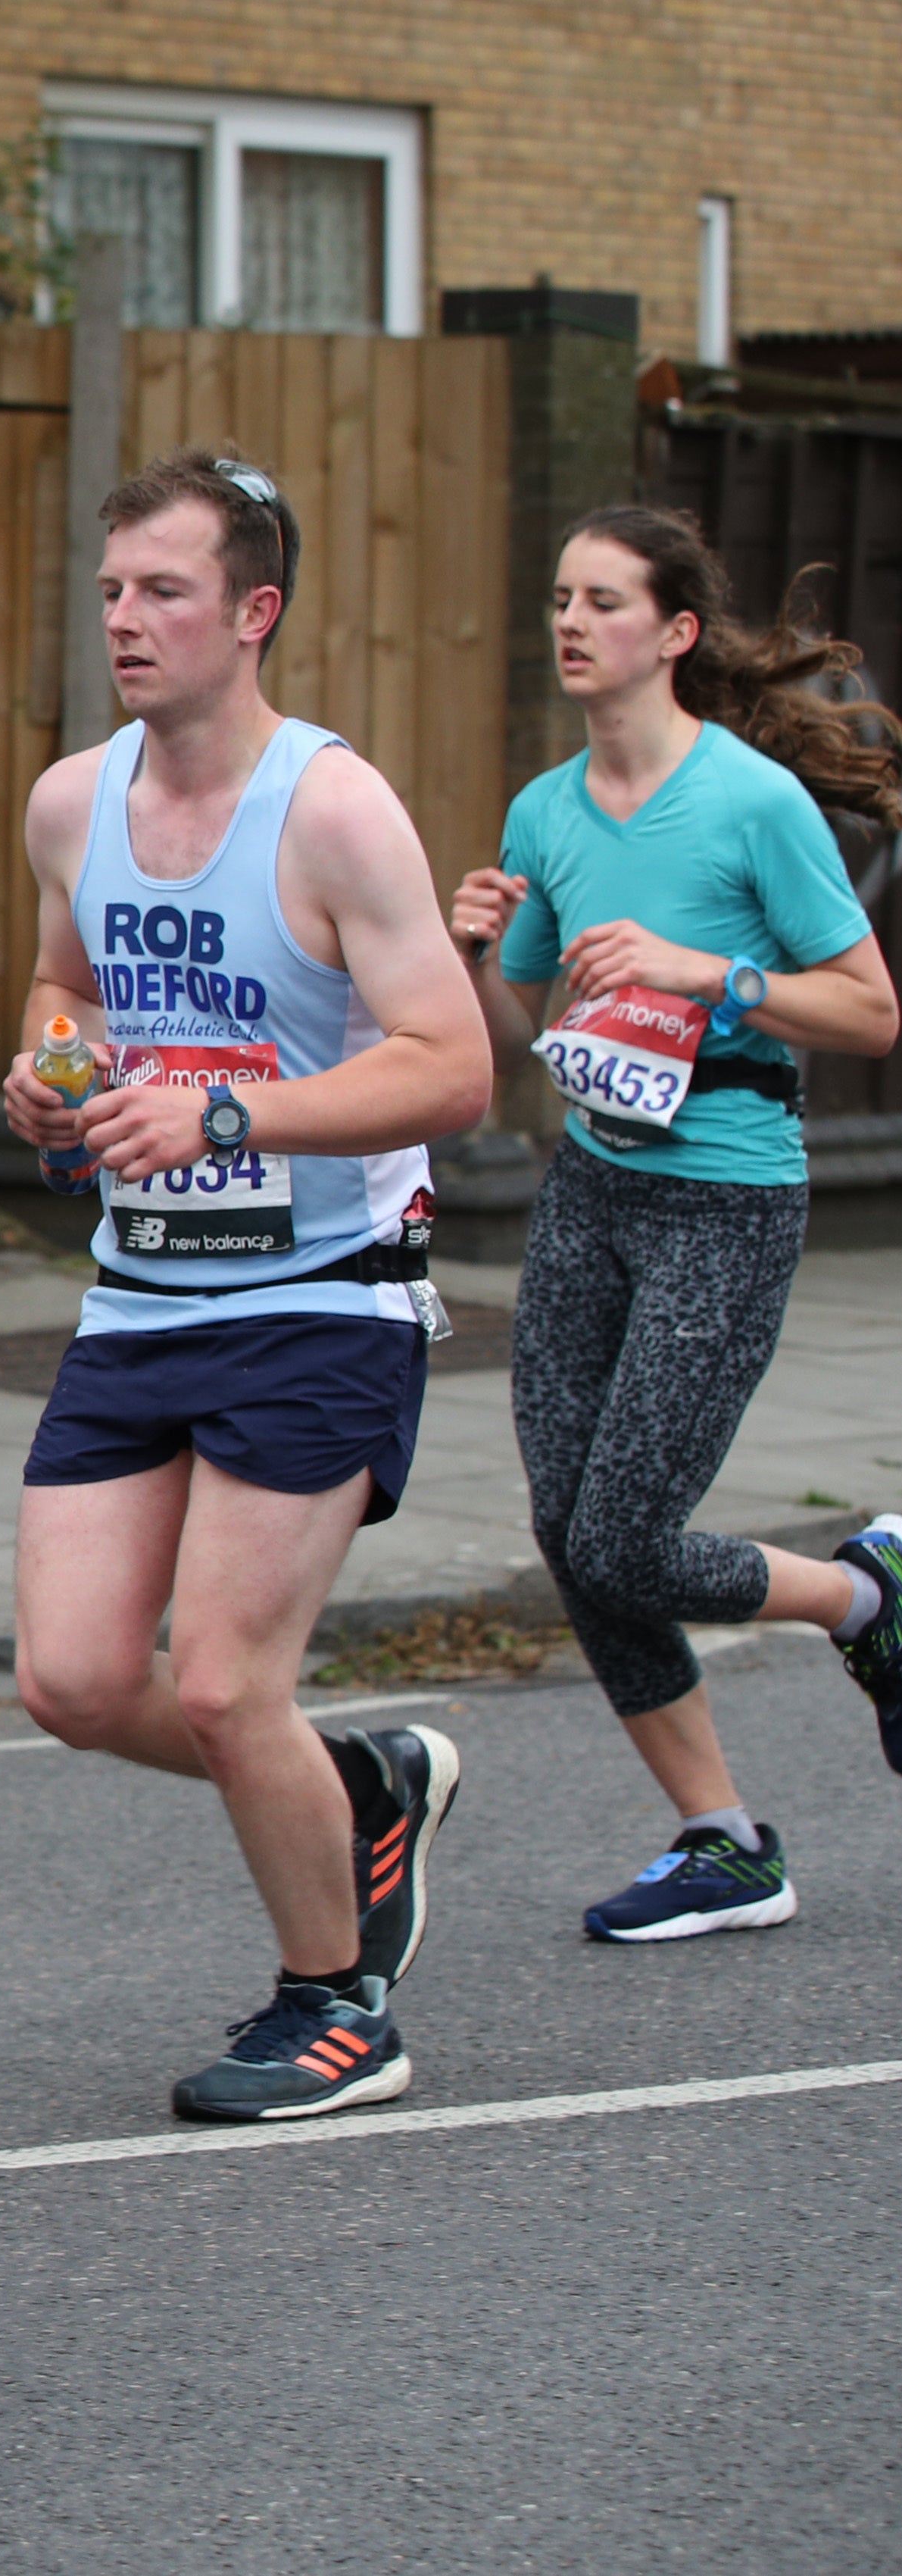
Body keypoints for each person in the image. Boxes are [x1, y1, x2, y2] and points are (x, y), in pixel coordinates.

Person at [2, 449, 496, 2123]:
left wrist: (225, 1107)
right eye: (113, 589)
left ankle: (336, 2002)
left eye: (163, 592)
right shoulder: (73, 800)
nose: (124, 621)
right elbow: (64, 982)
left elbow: (451, 1067)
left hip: (322, 1287)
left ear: (252, 612)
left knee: (219, 1679)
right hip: (138, 1293)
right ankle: (351, 1782)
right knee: (69, 1678)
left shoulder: (333, 809)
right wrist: (52, 1076)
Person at [447, 506, 902, 1940]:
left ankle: (866, 1596)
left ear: (674, 633)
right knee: (566, 1528)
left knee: (626, 1538)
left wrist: (711, 973)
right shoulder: (543, 810)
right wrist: (469, 954)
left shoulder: (752, 803)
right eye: (560, 598)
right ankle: (721, 1840)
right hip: (592, 1187)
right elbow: (522, 1033)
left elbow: (872, 1012)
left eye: (602, 601)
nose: (570, 622)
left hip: (727, 1192)